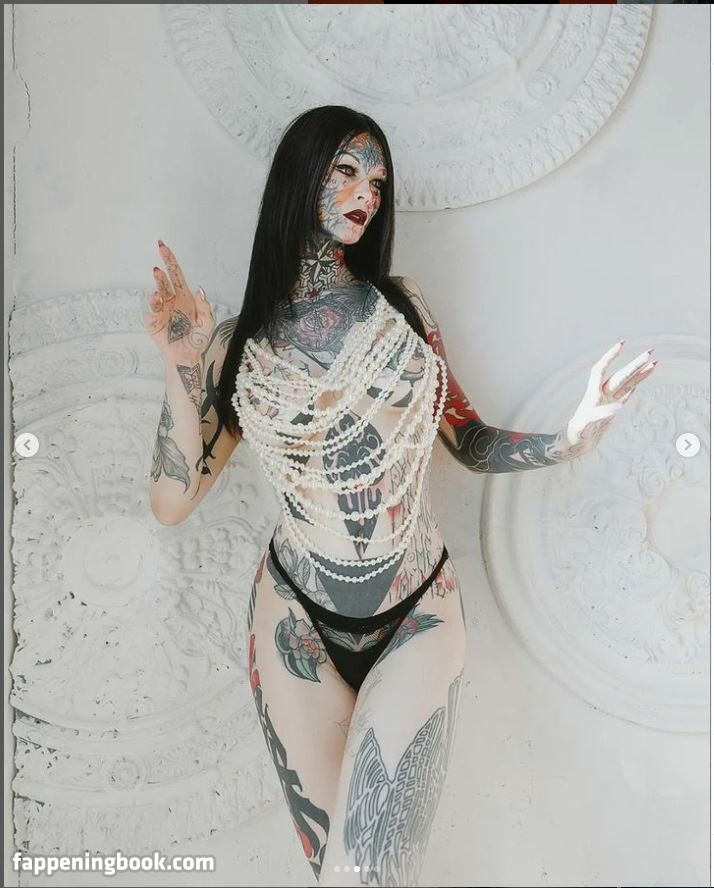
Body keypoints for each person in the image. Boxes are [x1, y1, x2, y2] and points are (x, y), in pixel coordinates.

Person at [142, 105, 656, 887]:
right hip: (293, 625)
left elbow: (468, 441)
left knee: (368, 877)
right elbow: (173, 500)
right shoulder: (236, 343)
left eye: (377, 182)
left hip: (417, 614)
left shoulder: (403, 308)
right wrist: (182, 364)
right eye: (347, 171)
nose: (367, 194)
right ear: (300, 178)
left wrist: (569, 439)